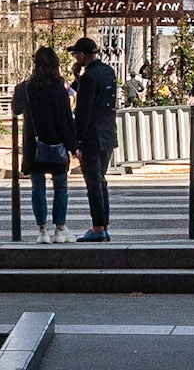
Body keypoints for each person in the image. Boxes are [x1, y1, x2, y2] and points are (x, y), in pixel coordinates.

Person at [12, 46, 77, 244]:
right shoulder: (59, 88)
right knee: (61, 187)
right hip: (56, 144)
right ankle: (60, 229)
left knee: (37, 188)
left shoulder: (25, 88)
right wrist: (73, 146)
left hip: (34, 145)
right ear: (56, 66)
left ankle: (42, 231)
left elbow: (16, 109)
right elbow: (66, 120)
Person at [70, 35, 117, 243]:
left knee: (93, 182)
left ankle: (98, 227)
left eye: (75, 54)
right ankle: (104, 225)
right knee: (101, 180)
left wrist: (76, 141)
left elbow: (83, 111)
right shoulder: (108, 72)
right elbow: (98, 96)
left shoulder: (89, 77)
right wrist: (78, 77)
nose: (74, 58)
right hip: (108, 134)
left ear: (82, 55)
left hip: (91, 137)